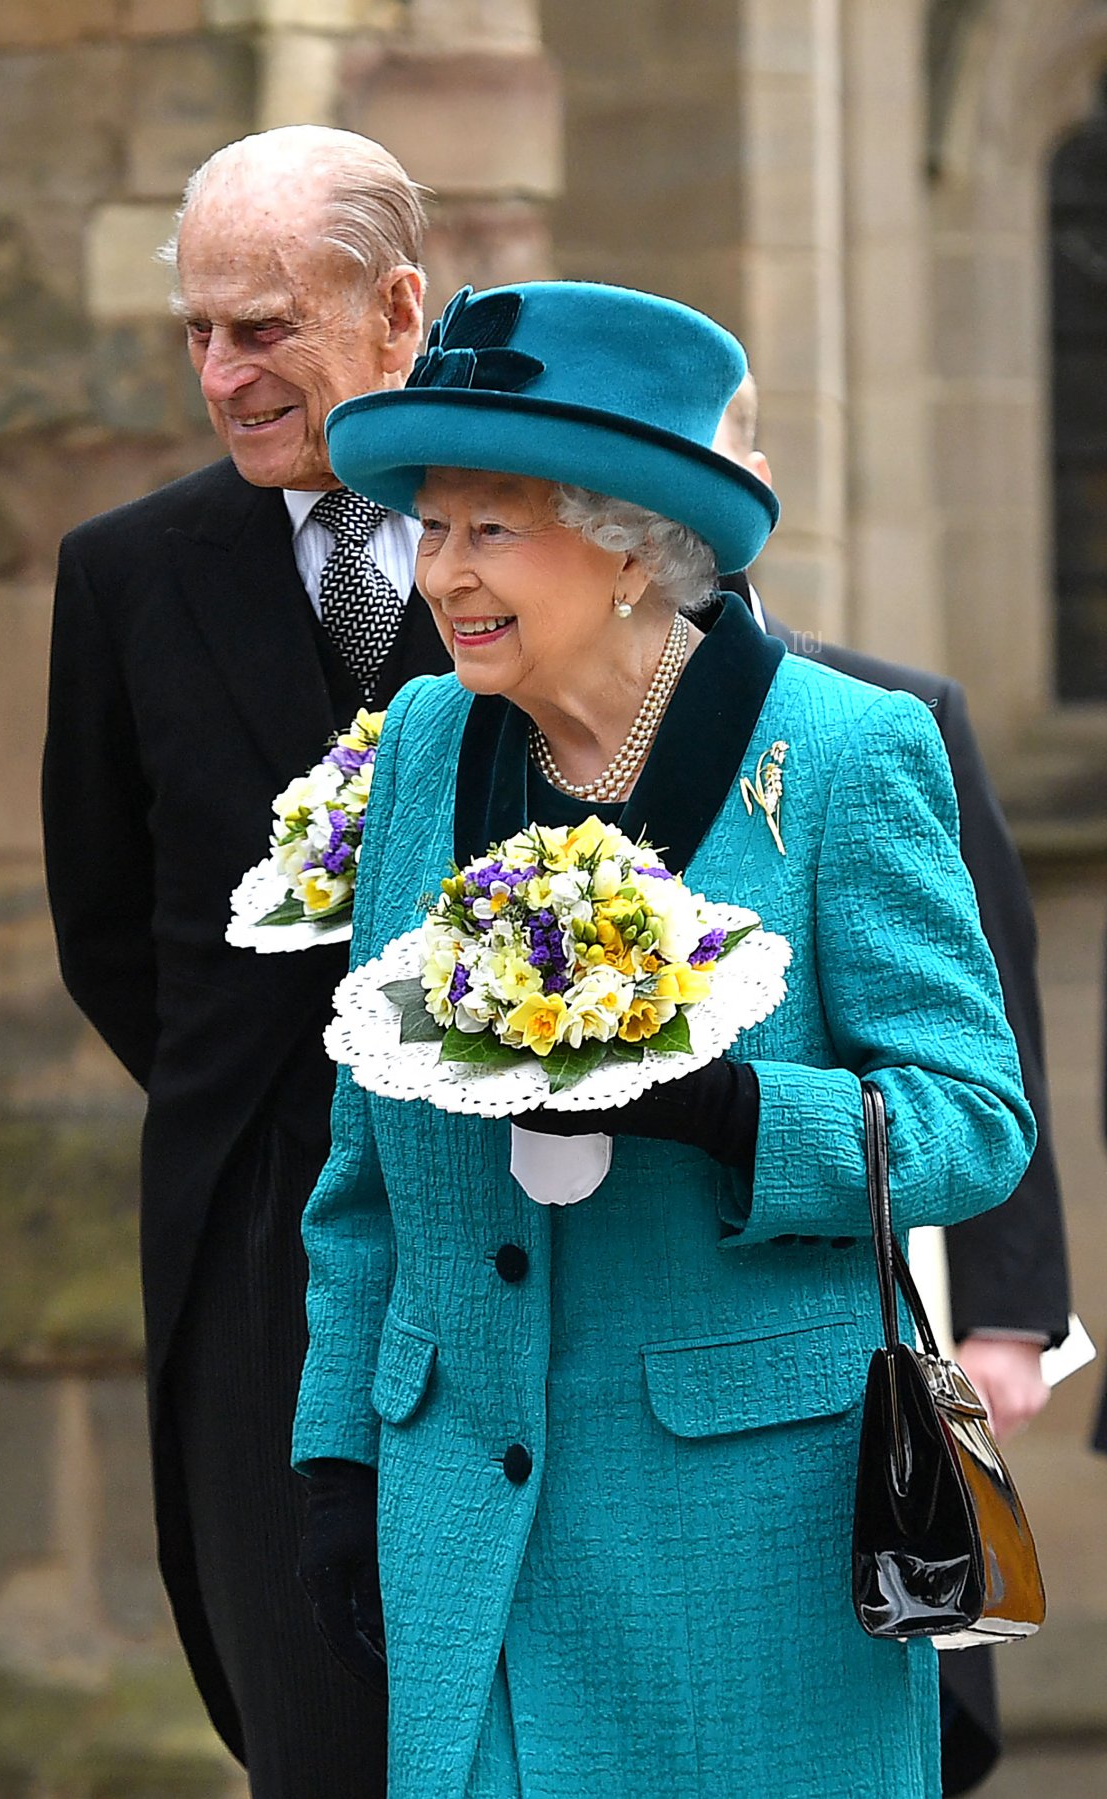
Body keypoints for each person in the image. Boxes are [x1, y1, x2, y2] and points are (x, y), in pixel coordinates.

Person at [291, 280, 1037, 1799]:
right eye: (432, 529)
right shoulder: (424, 748)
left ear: (631, 542)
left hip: (748, 1542)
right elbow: (361, 1165)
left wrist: (734, 1112)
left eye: (490, 529)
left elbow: (972, 1119)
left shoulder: (839, 755)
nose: (442, 575)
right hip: (465, 1524)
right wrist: (335, 1459)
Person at [42, 126, 450, 1797]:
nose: (223, 375)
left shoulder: (557, 542)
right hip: (260, 1245)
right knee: (317, 1725)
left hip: (550, 1208)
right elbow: (104, 931)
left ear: (398, 312)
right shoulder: (125, 578)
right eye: (197, 334)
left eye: (263, 327)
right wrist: (288, 1106)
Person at [713, 377, 1072, 1793]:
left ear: (753, 469)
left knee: (926, 1638)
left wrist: (1011, 1314)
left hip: (891, 1241)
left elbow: (997, 1040)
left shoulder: (891, 718)